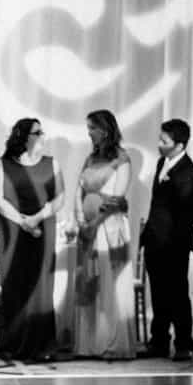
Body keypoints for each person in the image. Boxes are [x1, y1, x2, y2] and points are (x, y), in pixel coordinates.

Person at [0, 117, 64, 362]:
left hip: (43, 232)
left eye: (42, 131)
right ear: (23, 136)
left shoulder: (52, 163)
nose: (42, 135)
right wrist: (22, 221)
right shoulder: (3, 165)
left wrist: (37, 217)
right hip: (12, 233)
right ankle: (15, 343)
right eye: (36, 132)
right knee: (15, 284)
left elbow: (59, 197)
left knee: (42, 287)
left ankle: (43, 346)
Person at [71, 109, 135, 360]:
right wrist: (79, 219)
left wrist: (94, 223)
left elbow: (116, 199)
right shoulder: (90, 159)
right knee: (89, 285)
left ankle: (111, 341)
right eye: (88, 128)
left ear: (105, 130)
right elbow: (79, 190)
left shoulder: (122, 159)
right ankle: (89, 344)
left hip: (109, 228)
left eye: (92, 128)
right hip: (88, 230)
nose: (89, 133)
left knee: (109, 282)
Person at [140, 119, 193, 361]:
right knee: (158, 294)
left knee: (177, 294)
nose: (159, 145)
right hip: (155, 240)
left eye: (164, 141)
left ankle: (184, 343)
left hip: (174, 244)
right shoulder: (161, 163)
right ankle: (159, 341)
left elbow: (188, 214)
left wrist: (170, 239)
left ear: (179, 144)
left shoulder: (188, 173)